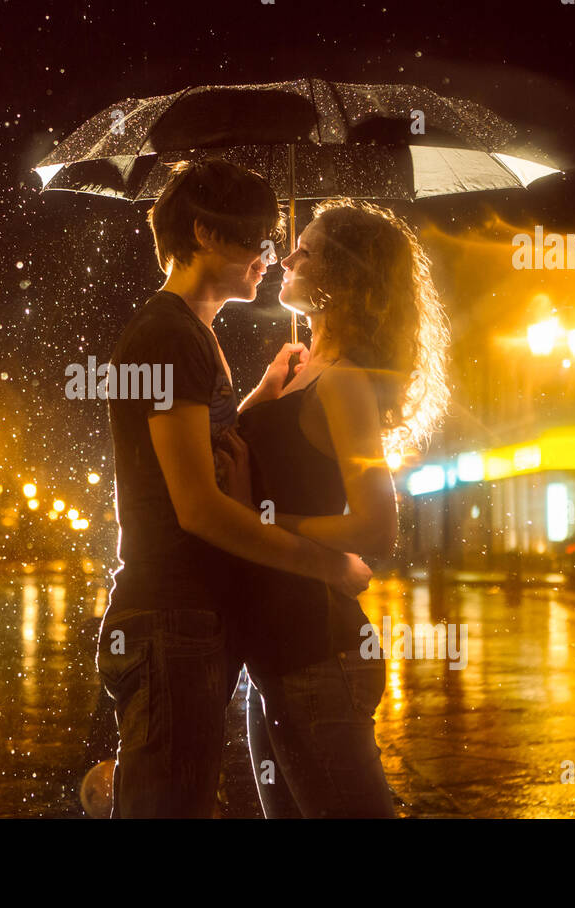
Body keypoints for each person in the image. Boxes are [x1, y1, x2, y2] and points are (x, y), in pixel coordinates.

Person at [96, 160, 371, 818]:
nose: (269, 258)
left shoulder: (192, 333)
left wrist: (258, 397)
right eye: (257, 239)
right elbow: (198, 508)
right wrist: (326, 562)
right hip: (172, 617)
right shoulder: (167, 336)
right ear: (206, 234)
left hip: (186, 620)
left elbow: (200, 451)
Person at [221, 197, 450, 817]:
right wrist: (267, 389)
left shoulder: (344, 380)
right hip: (276, 651)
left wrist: (262, 522)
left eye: (309, 249)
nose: (288, 256)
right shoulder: (300, 369)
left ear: (345, 275)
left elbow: (376, 527)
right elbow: (228, 456)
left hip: (319, 654)